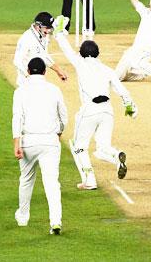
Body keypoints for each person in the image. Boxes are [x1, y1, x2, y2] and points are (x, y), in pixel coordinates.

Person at [53, 20, 137, 190]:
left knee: (78, 147)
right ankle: (116, 155)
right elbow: (122, 91)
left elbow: (66, 49)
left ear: (82, 54)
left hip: (90, 111)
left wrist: (59, 32)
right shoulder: (107, 70)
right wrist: (130, 108)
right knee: (103, 147)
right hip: (107, 111)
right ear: (97, 54)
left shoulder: (80, 63)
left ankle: (89, 180)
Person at [12, 57, 68, 235]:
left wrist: (16, 142)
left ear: (28, 72)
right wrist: (58, 134)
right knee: (52, 183)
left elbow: (17, 118)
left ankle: (22, 217)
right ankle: (55, 222)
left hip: (28, 141)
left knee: (26, 179)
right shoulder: (54, 90)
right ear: (45, 72)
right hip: (50, 141)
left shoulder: (20, 91)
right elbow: (64, 117)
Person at [13, 12, 68, 86]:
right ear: (38, 26)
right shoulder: (26, 38)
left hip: (38, 80)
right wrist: (28, 77)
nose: (49, 31)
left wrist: (58, 70)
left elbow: (44, 55)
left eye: (50, 28)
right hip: (25, 83)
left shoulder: (43, 36)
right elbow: (17, 61)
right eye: (47, 28)